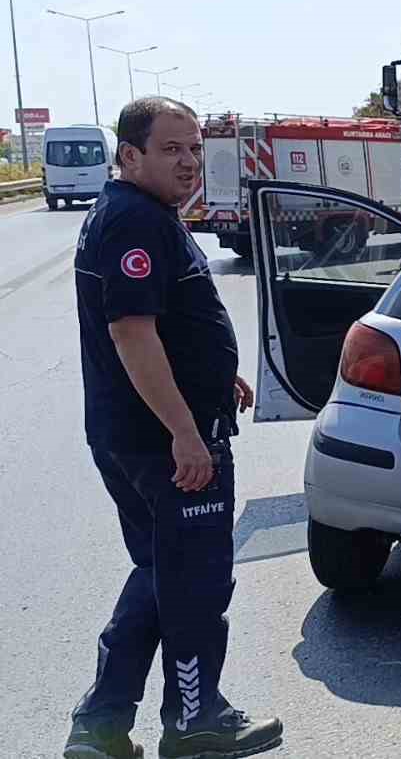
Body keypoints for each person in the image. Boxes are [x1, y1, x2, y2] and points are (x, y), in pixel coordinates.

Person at [66, 97, 282, 759]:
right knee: (194, 583)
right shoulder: (136, 223)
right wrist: (187, 433)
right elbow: (132, 334)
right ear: (129, 156)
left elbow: (165, 329)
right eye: (171, 150)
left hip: (135, 431)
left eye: (194, 148)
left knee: (161, 571)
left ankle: (100, 724)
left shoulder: (142, 214)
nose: (189, 162)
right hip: (164, 443)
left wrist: (219, 379)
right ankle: (195, 719)